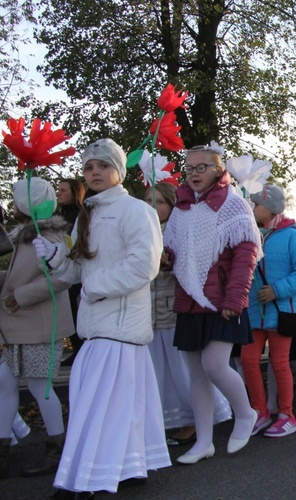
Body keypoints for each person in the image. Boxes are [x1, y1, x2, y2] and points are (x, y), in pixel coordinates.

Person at [33, 139, 169, 495]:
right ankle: (127, 466)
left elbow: (144, 265)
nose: (95, 172)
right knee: (116, 405)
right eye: (89, 167)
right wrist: (54, 257)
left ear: (118, 172)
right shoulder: (88, 213)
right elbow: (77, 269)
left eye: (103, 166)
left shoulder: (136, 210)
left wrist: (95, 286)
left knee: (96, 405)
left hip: (120, 326)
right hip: (97, 325)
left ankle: (85, 480)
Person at [163, 143, 260, 464]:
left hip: (223, 301)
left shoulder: (234, 205)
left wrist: (236, 297)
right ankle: (204, 441)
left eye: (201, 167)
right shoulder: (181, 208)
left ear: (219, 170)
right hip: (189, 299)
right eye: (189, 168)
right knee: (196, 375)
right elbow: (179, 252)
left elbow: (246, 257)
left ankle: (245, 413)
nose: (193, 173)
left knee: (215, 365)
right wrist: (167, 258)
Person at [144, 183, 232, 447]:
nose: (152, 207)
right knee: (159, 373)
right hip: (148, 312)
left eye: (159, 202)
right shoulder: (142, 231)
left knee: (182, 371)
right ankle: (171, 420)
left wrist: (169, 261)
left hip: (173, 310)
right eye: (148, 200)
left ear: (171, 206)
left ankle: (198, 419)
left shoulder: (179, 230)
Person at [0, 178, 74, 479]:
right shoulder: (29, 234)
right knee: (5, 382)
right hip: (23, 326)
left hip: (41, 324)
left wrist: (20, 295)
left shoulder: (49, 235)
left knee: (39, 387)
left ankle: (57, 447)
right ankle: (3, 449)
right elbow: (25, 272)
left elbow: (62, 276)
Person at [241, 184, 296, 438]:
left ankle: (286, 415)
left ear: (270, 209)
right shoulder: (250, 233)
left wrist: (277, 290)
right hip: (253, 311)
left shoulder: (292, 235)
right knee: (249, 361)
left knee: (280, 363)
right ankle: (260, 412)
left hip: (281, 310)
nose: (253, 208)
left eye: (257, 204)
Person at [54, 179, 85, 367]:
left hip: (76, 270)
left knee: (76, 309)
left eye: (63, 190)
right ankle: (75, 347)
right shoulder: (57, 215)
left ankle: (80, 348)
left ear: (74, 193)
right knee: (68, 311)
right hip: (61, 270)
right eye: (58, 190)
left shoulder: (80, 215)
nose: (59, 194)